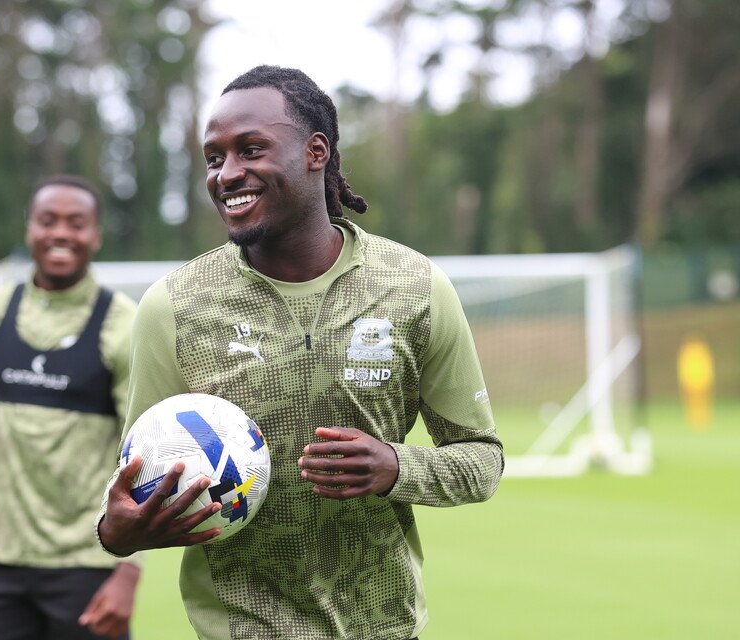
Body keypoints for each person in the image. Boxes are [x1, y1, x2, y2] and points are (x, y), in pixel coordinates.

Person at [96, 66, 504, 640]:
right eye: (215, 158)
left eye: (251, 149)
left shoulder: (415, 287)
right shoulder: (173, 306)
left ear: (316, 151)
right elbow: (137, 487)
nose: (228, 174)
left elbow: (481, 461)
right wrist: (117, 531)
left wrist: (395, 467)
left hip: (384, 628)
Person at [0, 174, 141, 640]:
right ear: (30, 229)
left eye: (77, 223)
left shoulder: (125, 325)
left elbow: (139, 455)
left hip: (88, 563)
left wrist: (129, 572)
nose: (61, 233)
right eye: (48, 220)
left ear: (96, 235)